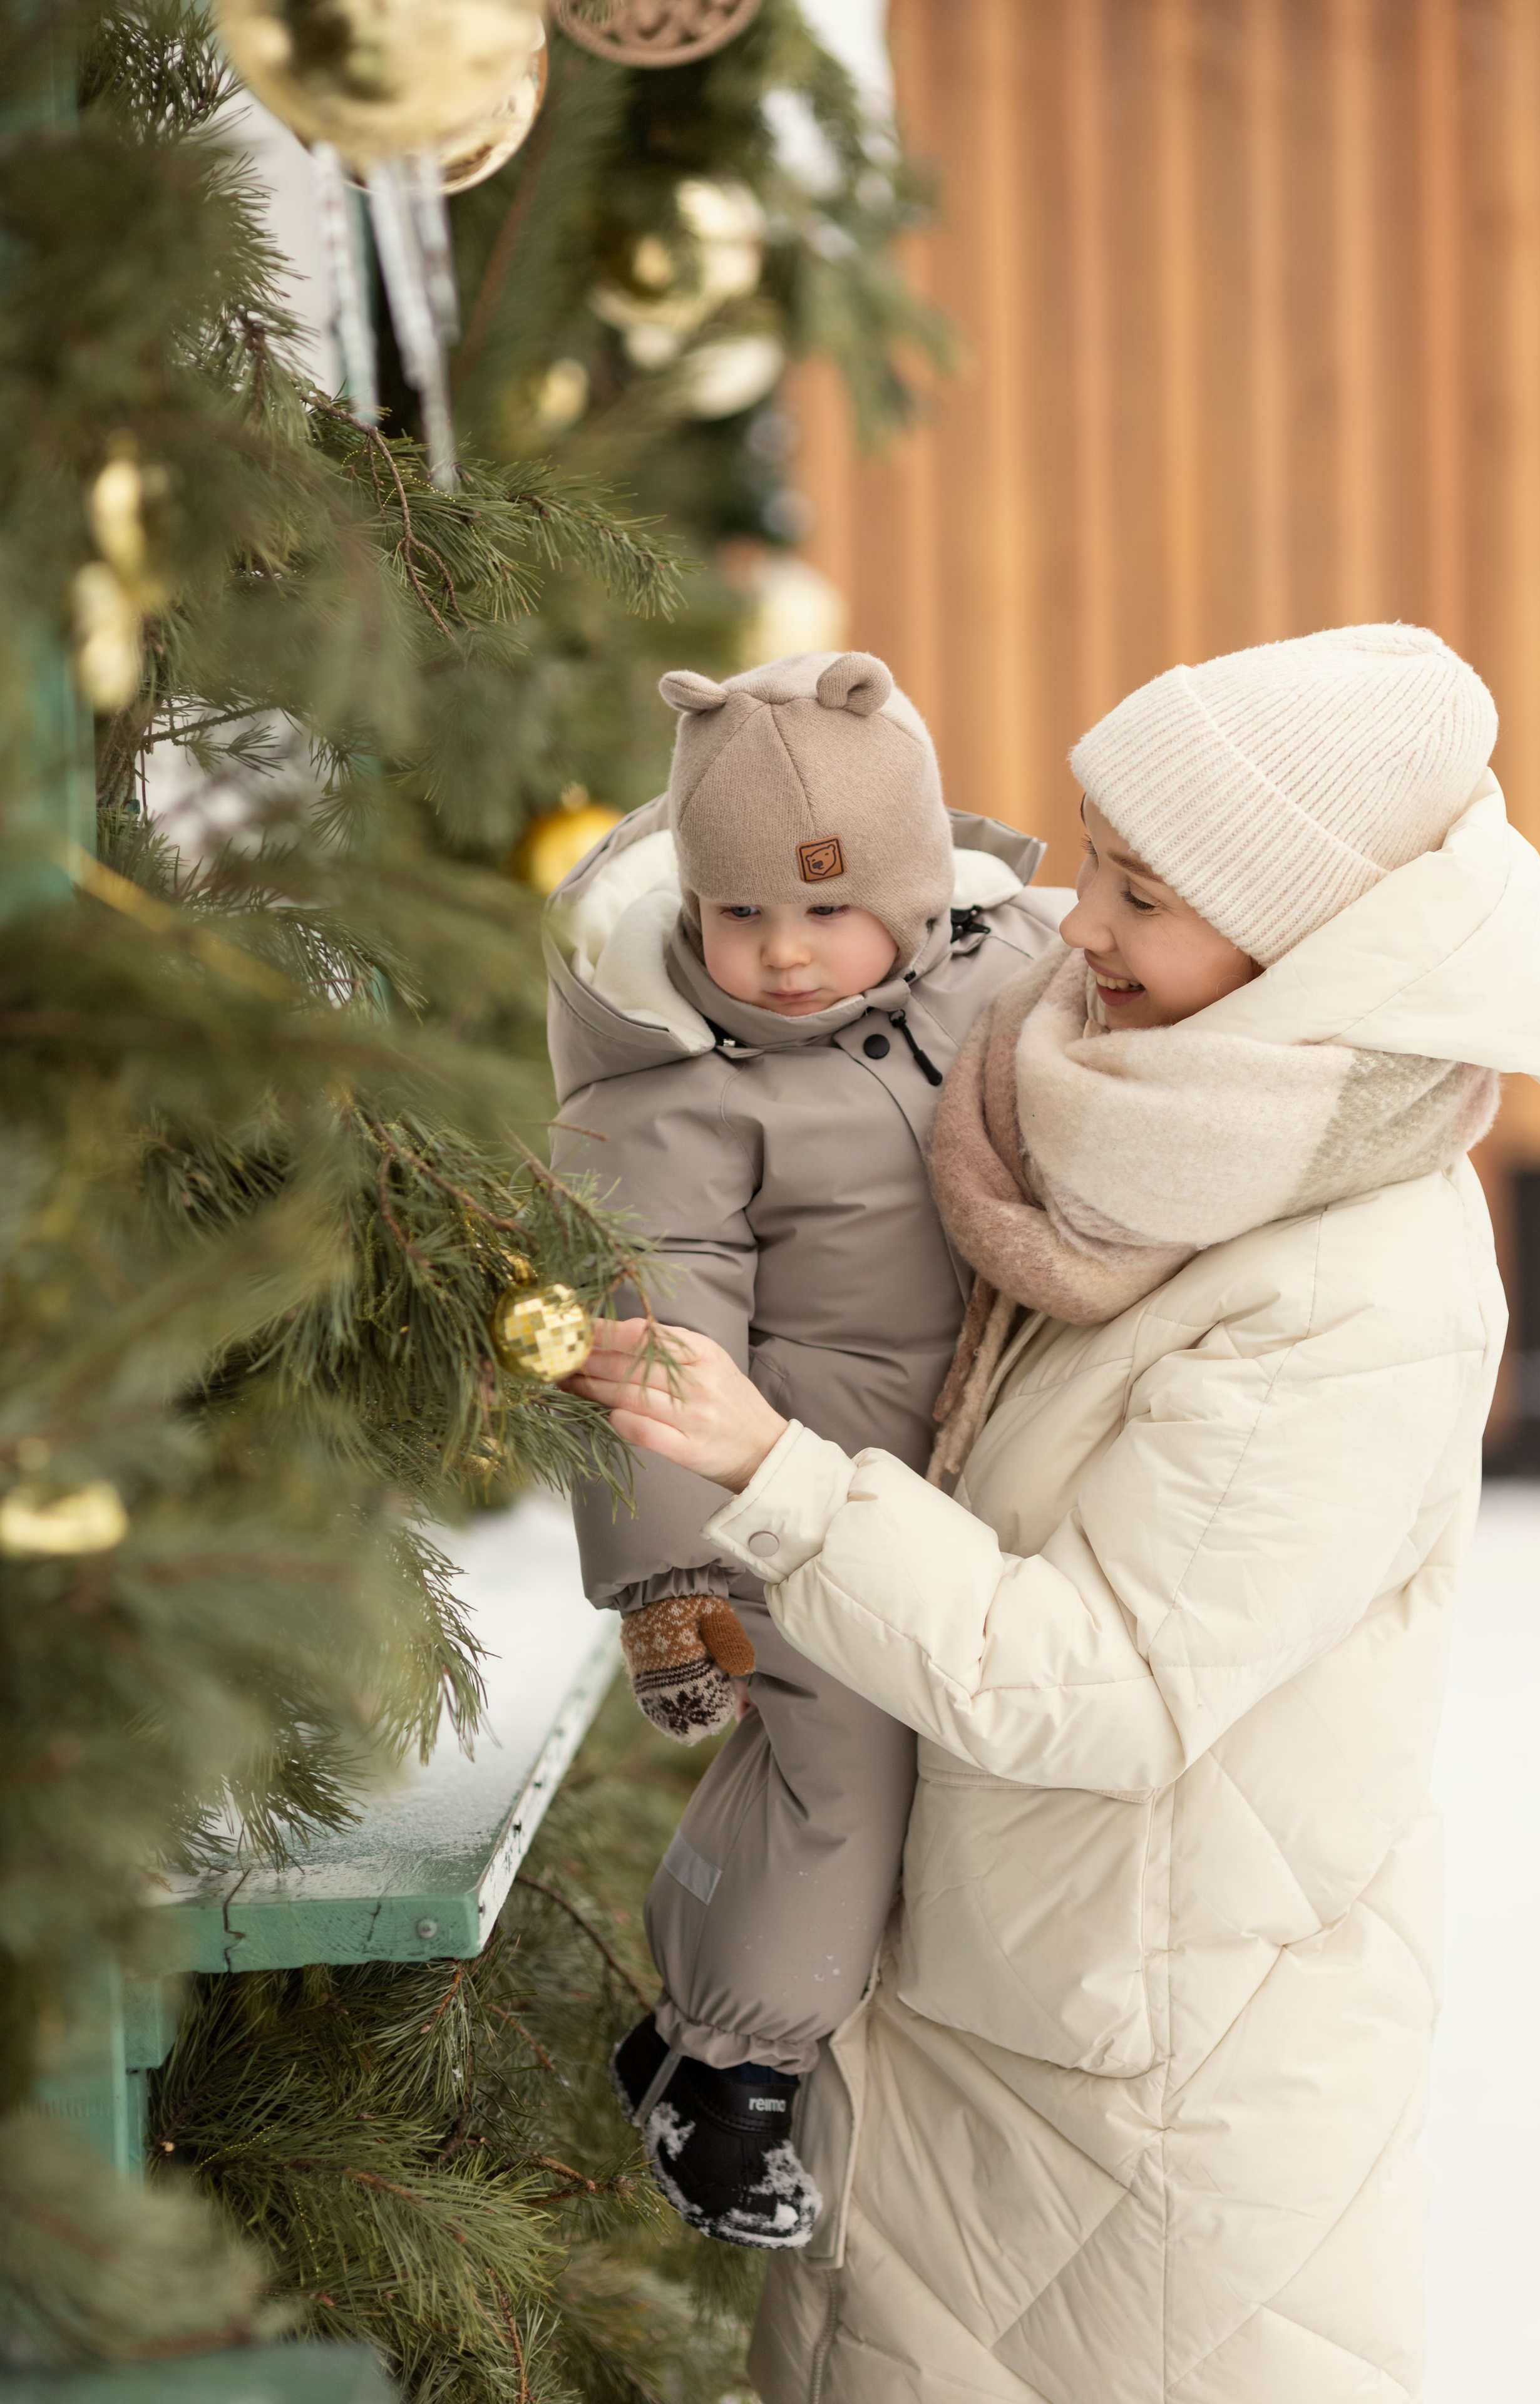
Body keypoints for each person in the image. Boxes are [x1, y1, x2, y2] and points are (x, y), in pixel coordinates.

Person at [567, 625, 1540, 2401]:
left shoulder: (1351, 1289)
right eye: (1090, 868)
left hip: (1146, 2119)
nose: (1078, 928)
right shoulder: (1104, 1115)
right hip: (977, 2032)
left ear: (1301, 944)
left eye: (1140, 893)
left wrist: (777, 1474)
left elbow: (1103, 1686)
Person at [543, 648, 1068, 2249]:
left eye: (825, 910)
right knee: (849, 1771)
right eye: (737, 915)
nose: (778, 958)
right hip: (786, 1502)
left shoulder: (1008, 971)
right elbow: (645, 1339)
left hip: (963, 1480)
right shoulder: (675, 1098)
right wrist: (671, 1579)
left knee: (894, 1772)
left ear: (917, 900)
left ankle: (687, 2024)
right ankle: (727, 2071)